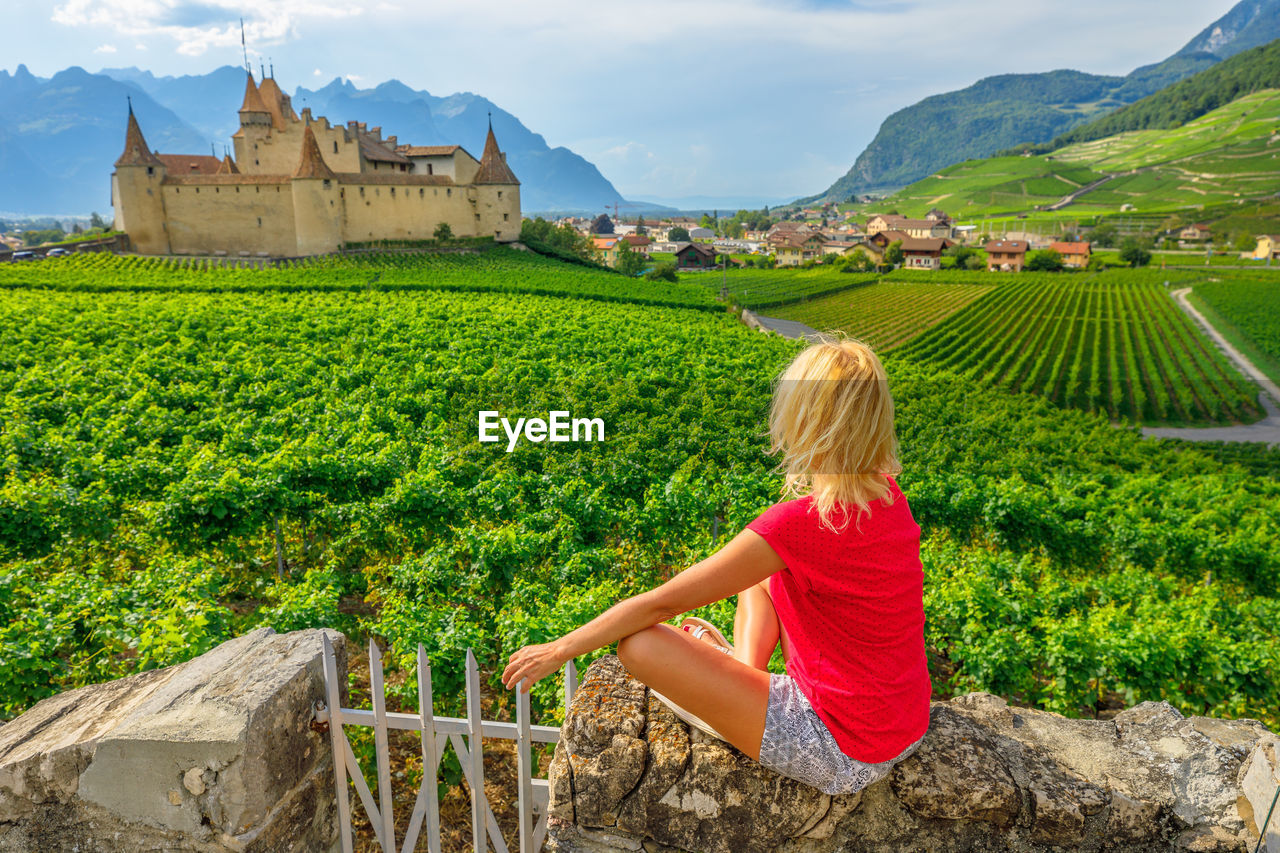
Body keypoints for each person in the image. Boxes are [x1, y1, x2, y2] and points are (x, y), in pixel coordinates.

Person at [501, 334, 931, 795]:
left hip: (841, 748)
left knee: (639, 647)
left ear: (807, 421)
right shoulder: (889, 497)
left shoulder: (797, 524)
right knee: (764, 571)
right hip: (902, 725)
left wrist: (558, 649)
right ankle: (742, 671)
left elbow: (659, 605)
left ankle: (729, 681)